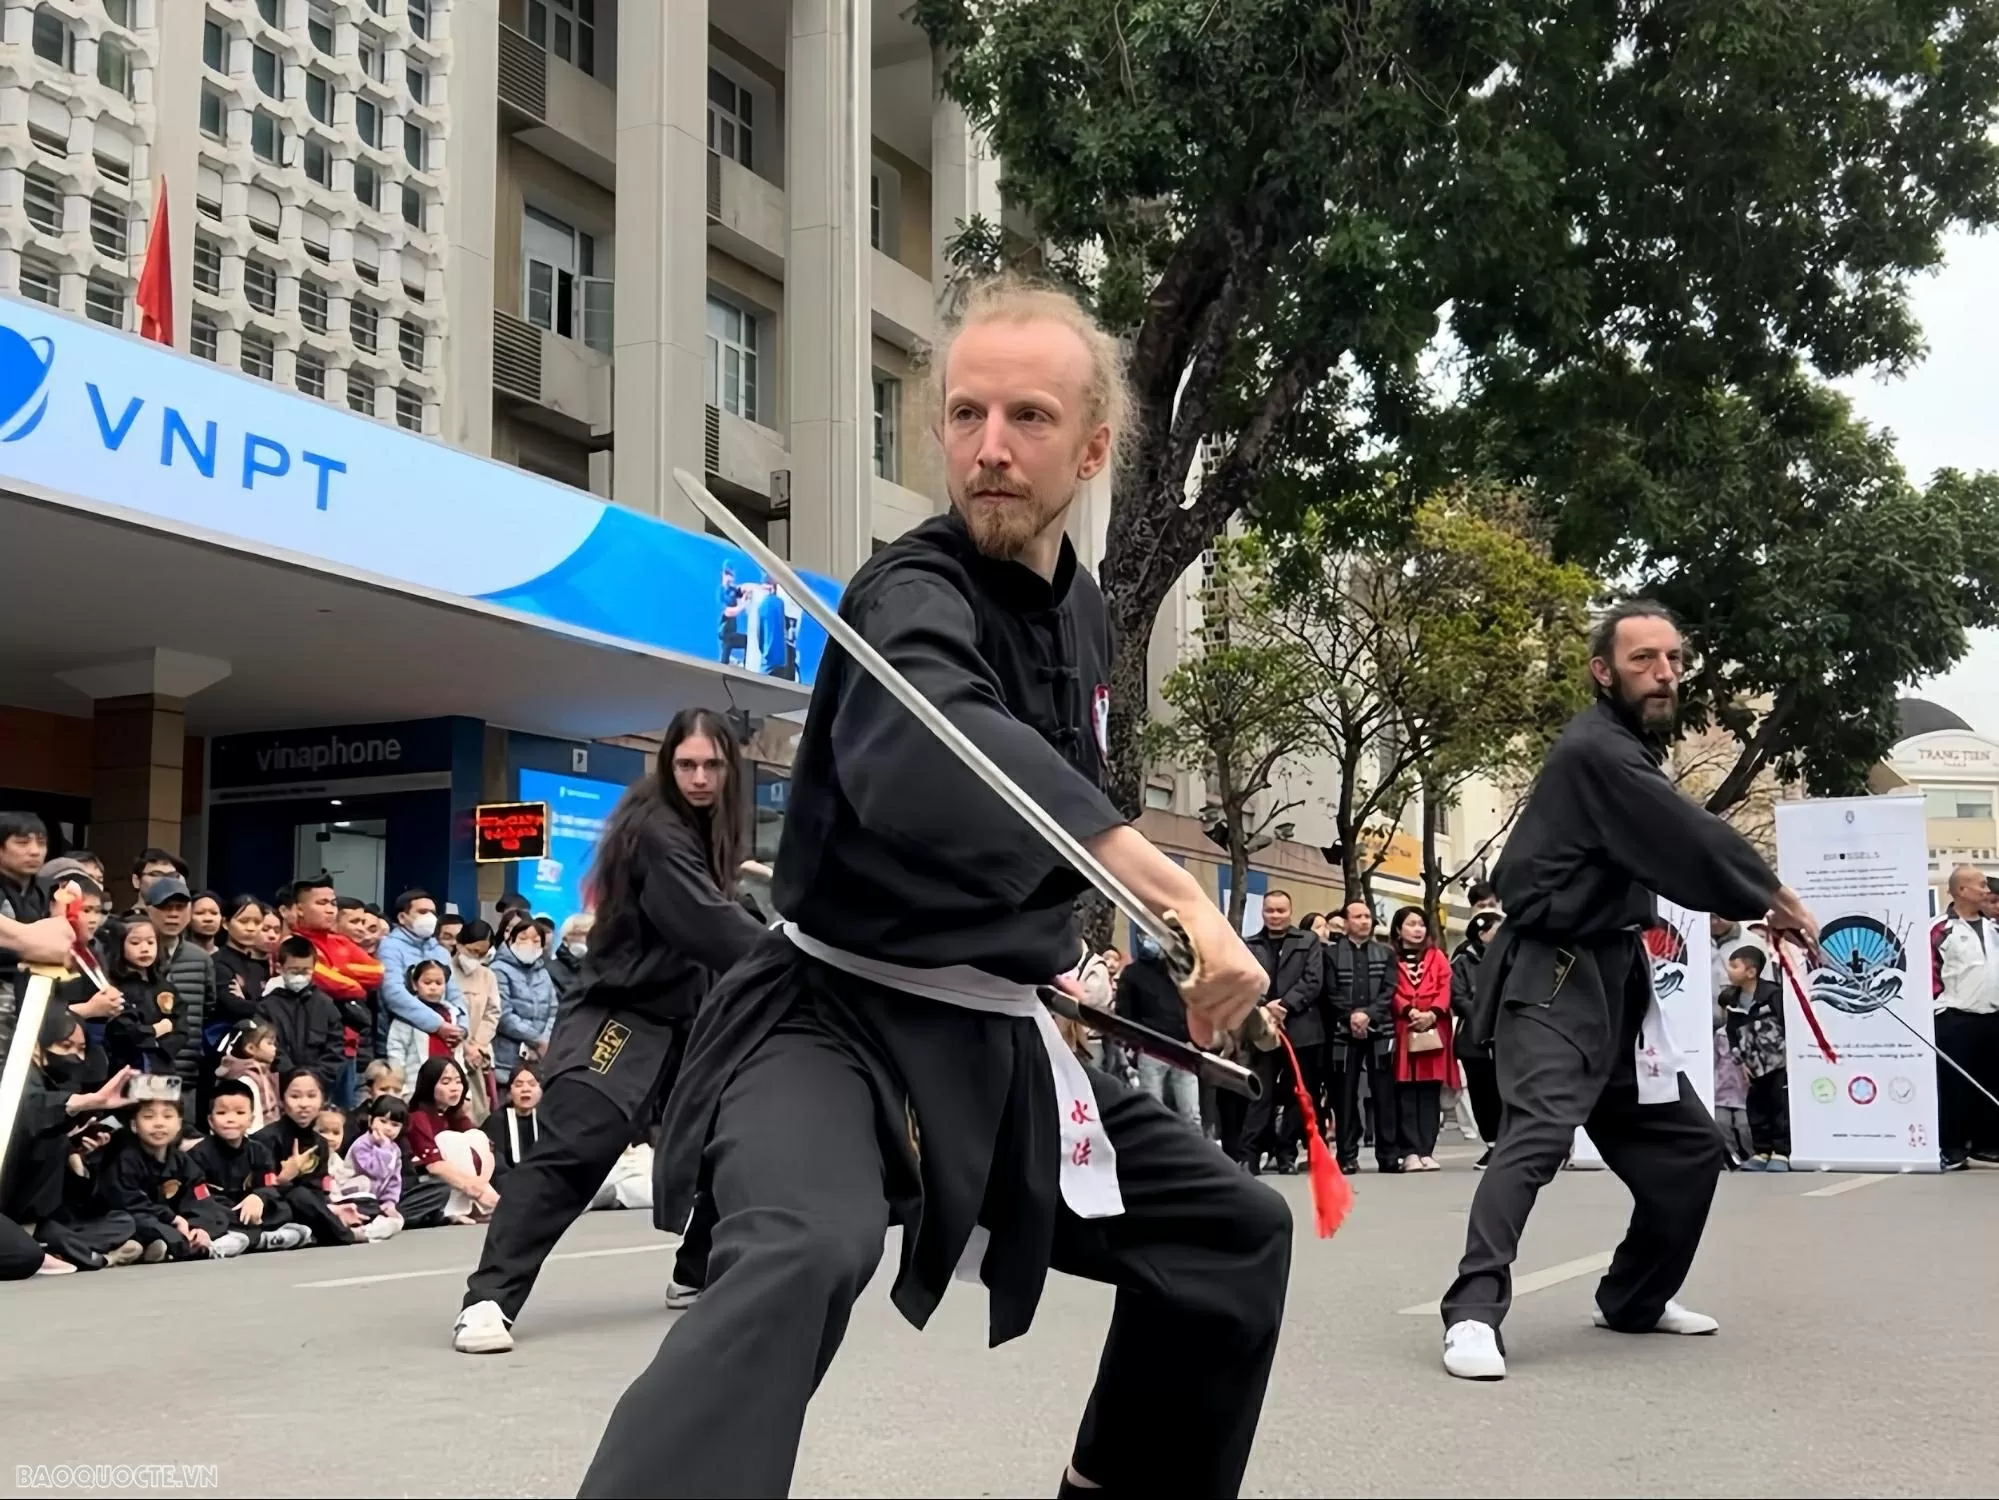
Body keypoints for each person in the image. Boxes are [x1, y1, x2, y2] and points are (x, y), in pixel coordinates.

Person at [578, 277, 1287, 1499]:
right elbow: (939, 748)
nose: (990, 450)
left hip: (998, 1040)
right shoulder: (908, 593)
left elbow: (1029, 831)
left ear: (1096, 445)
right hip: (828, 1022)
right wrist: (1176, 894)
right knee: (804, 1247)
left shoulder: (1082, 612)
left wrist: (1054, 955)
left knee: (1230, 1235)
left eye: (1027, 418)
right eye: (964, 416)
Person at [1438, 599, 1816, 1382]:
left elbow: (1659, 843)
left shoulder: (1631, 752)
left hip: (1615, 978)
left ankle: (1635, 1297)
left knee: (1685, 1147)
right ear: (1601, 672)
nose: (1663, 673)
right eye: (1643, 660)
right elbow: (1680, 829)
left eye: (1672, 659)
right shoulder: (1594, 750)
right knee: (1538, 1134)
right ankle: (1472, 1312)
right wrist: (1772, 897)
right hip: (1553, 972)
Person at [455, 709, 768, 1354]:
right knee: (577, 1148)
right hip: (623, 1013)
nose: (701, 777)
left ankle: (697, 1267)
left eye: (713, 765)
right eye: (687, 764)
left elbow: (723, 912)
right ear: (668, 765)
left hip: (693, 1017)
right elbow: (708, 922)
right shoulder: (656, 831)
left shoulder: (716, 828)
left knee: (737, 1134)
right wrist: (791, 963)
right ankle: (487, 1300)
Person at [2, 1008, 141, 1271]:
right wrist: (86, 1102)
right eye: (65, 1046)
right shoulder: (18, 1080)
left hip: (48, 1216)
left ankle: (68, 1248)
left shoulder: (50, 1083)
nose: (75, 1057)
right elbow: (24, 1112)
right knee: (29, 1251)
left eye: (80, 1049)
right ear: (36, 1047)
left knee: (124, 1221)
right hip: (15, 1213)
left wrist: (76, 1154)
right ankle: (70, 1250)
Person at [1241, 890, 1324, 1174]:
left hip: (1301, 1028)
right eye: (1270, 911)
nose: (1275, 916)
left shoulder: (1307, 941)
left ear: (1290, 912)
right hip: (1262, 1029)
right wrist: (1266, 1005)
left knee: (1297, 1093)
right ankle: (1250, 1154)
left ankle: (1286, 1151)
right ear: (1262, 912)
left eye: (1281, 911)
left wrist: (1286, 1005)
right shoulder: (1250, 944)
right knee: (1259, 1093)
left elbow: (1313, 980)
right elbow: (1244, 980)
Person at [185, 1081, 314, 1254]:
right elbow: (198, 1194)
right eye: (222, 1113)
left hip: (252, 1211)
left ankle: (250, 1238)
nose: (231, 1119)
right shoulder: (198, 1154)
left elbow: (269, 1184)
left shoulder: (258, 1150)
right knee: (213, 1213)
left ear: (251, 1120)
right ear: (211, 1120)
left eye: (239, 1113)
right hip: (222, 1209)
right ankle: (260, 1239)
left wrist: (258, 1197)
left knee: (283, 1206)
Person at [1930, 865, 1999, 1169]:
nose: (1987, 890)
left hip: (1993, 1015)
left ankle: (1986, 1144)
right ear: (1962, 891)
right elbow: (1928, 972)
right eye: (1981, 885)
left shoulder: (1995, 927)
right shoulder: (1939, 928)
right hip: (1955, 1016)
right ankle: (1954, 1147)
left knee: (1991, 1080)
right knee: (1955, 1085)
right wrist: (1938, 1006)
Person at [1323, 899, 1399, 1174]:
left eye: (1367, 916)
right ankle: (1346, 1155)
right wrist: (1352, 1016)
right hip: (1344, 1031)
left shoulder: (1386, 953)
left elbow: (1389, 989)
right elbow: (1330, 992)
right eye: (1358, 917)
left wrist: (1368, 1015)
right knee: (1344, 1095)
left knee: (1384, 1094)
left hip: (1379, 1030)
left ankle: (1389, 1156)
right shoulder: (1331, 954)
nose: (1364, 921)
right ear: (1346, 922)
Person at [100, 1097, 222, 1260]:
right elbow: (127, 1201)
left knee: (220, 1213)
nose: (159, 1123)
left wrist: (199, 1228)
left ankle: (161, 1247)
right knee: (131, 1222)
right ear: (134, 1125)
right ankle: (176, 1247)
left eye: (167, 1116)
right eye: (149, 1117)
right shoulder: (126, 1159)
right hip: (142, 1218)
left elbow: (199, 1198)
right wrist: (170, 1217)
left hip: (172, 1223)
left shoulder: (183, 1161)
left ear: (179, 1124)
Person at [255, 1069, 356, 1246]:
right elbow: (258, 1190)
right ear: (282, 1101)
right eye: (295, 1096)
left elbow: (318, 1190)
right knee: (298, 1195)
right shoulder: (265, 1139)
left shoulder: (320, 1143)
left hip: (308, 1209)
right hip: (274, 1208)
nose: (304, 1104)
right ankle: (347, 1234)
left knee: (364, 1201)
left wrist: (330, 1208)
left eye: (311, 1096)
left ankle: (318, 1228)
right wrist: (283, 1178)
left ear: (322, 1100)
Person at [1387, 906, 1454, 1172]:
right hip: (1404, 1026)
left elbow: (1446, 986)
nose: (1417, 929)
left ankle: (1427, 1150)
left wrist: (1432, 1013)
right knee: (1405, 1091)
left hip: (1433, 1028)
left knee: (1429, 1092)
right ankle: (1410, 1151)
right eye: (1411, 924)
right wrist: (1408, 1009)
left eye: (1421, 924)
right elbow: (1388, 988)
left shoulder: (1437, 957)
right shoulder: (1389, 957)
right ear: (1398, 929)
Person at [378, 889, 467, 1086]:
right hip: (407, 1039)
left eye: (433, 913)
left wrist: (461, 1029)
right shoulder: (390, 947)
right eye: (423, 912)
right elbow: (393, 993)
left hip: (445, 1042)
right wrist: (438, 1025)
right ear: (402, 917)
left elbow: (454, 993)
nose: (430, 917)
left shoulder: (440, 951)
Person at [142, 877, 216, 1110]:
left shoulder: (201, 959)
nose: (173, 914)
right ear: (148, 909)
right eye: (165, 907)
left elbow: (208, 1009)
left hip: (187, 1069)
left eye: (180, 908)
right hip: (143, 1067)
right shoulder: (134, 952)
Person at [1113, 933, 1200, 1129]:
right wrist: (1134, 1044)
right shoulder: (1133, 973)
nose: (1149, 939)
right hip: (1152, 1049)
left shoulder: (1179, 971)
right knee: (1153, 1111)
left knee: (1191, 1114)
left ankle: (1194, 1155)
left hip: (1183, 1049)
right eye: (1144, 935)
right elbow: (1124, 1013)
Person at [401, 1057, 495, 1228]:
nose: (454, 1087)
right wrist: (475, 1190)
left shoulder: (456, 1116)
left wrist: (481, 1185)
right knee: (449, 1139)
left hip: (471, 1186)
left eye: (458, 1081)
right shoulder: (418, 1117)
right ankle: (457, 1209)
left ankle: (474, 1205)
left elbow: (486, 1151)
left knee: (476, 1136)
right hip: (426, 1181)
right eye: (445, 1082)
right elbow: (434, 1166)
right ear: (430, 1085)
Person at [1720, 946, 1789, 1170]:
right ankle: (1761, 1151)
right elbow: (1732, 1034)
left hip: (1778, 1064)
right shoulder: (1732, 1000)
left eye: (1734, 966)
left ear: (1751, 972)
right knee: (1756, 1107)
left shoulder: (1772, 995)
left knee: (1779, 1106)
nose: (1728, 970)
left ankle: (1781, 1152)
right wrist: (1740, 1063)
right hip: (1752, 1066)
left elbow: (1787, 1026)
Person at [261, 936, 347, 1100]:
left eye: (305, 971)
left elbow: (335, 1050)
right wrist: (292, 1077)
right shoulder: (267, 1007)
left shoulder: (326, 1006)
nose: (300, 976)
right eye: (294, 971)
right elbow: (268, 1049)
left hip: (318, 1091)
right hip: (278, 1090)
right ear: (280, 968)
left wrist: (313, 1080)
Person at [1450, 912, 1505, 1166]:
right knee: (1482, 1094)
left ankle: (1508, 1143)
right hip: (1474, 1039)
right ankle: (1492, 1143)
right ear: (1482, 934)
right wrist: (1483, 1015)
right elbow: (1458, 997)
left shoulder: (1509, 958)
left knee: (1506, 1092)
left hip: (1505, 1037)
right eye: (1497, 931)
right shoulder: (1462, 961)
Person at [100, 915, 179, 1078]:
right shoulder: (114, 987)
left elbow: (180, 1025)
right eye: (135, 943)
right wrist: (156, 1030)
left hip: (163, 1065)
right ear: (120, 945)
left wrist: (158, 1044)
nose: (145, 948)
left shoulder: (164, 986)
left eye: (150, 942)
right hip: (125, 1067)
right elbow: (123, 1030)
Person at [490, 913, 558, 1086]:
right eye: (523, 938)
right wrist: (536, 1039)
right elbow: (503, 1015)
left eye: (536, 941)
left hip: (539, 1058)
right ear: (511, 940)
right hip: (507, 1058)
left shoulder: (543, 972)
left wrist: (545, 1040)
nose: (530, 944)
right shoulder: (498, 970)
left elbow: (553, 1010)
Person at [453, 920, 501, 1121]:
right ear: (460, 945)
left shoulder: (488, 976)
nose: (478, 958)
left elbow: (492, 1012)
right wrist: (464, 1046)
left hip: (477, 1055)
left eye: (483, 953)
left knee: (479, 1114)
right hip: (453, 1049)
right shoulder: (445, 972)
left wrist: (478, 1044)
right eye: (473, 951)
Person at [0, 810, 50, 1000]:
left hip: (36, 993)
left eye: (41, 843)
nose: (35, 851)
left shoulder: (48, 890)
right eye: (22, 843)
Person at [210, 896, 271, 1035]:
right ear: (225, 923)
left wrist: (247, 1002)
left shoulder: (260, 966)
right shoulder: (218, 962)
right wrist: (264, 1005)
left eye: (257, 922)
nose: (250, 928)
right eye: (243, 921)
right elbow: (232, 1006)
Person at [214, 1022, 282, 1129]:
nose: (274, 1048)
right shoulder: (246, 1079)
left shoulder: (264, 1073)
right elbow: (254, 1123)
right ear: (251, 1048)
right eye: (269, 1043)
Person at [483, 1065, 542, 1180]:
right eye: (519, 1085)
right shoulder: (497, 1120)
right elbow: (496, 1166)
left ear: (541, 1090)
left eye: (532, 1084)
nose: (525, 1089)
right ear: (510, 1091)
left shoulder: (549, 1119)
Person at [126, 848, 185, 916]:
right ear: (136, 880)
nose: (165, 881)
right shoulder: (125, 924)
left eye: (172, 876)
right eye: (156, 875)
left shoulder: (183, 921)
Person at [549, 913, 593, 1000]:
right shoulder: (551, 970)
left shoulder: (604, 968)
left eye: (593, 933)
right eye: (584, 933)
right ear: (566, 938)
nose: (590, 938)